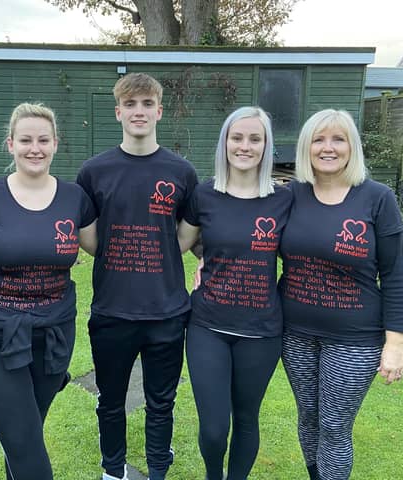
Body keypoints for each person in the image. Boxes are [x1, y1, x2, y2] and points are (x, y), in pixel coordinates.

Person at [0, 102, 97, 480]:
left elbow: (107, 249)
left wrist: (202, 253)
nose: (34, 148)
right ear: (10, 145)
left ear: (55, 144)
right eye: (25, 140)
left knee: (26, 433)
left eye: (43, 140)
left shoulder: (75, 199)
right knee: (23, 437)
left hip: (53, 333)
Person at [76, 73, 198, 480]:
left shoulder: (181, 171)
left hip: (166, 310)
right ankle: (113, 470)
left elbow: (184, 235)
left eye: (147, 104)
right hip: (112, 310)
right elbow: (90, 240)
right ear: (118, 113)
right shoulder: (94, 171)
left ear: (159, 111)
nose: (139, 111)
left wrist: (155, 253)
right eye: (131, 105)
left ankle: (159, 467)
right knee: (110, 400)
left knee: (161, 401)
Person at [279, 109, 403, 480]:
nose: (328, 148)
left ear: (352, 146)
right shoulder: (290, 195)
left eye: (338, 139)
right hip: (294, 333)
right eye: (319, 139)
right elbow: (252, 243)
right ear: (306, 146)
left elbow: (396, 273)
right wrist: (207, 261)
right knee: (309, 416)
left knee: (334, 425)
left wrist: (395, 342)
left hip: (354, 338)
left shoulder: (378, 198)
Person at [177, 107, 291, 480]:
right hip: (208, 324)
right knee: (213, 428)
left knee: (246, 418)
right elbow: (181, 243)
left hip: (261, 330)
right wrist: (204, 256)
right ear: (225, 141)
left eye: (254, 138)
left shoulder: (284, 199)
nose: (245, 146)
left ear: (266, 145)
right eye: (237, 137)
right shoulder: (204, 194)